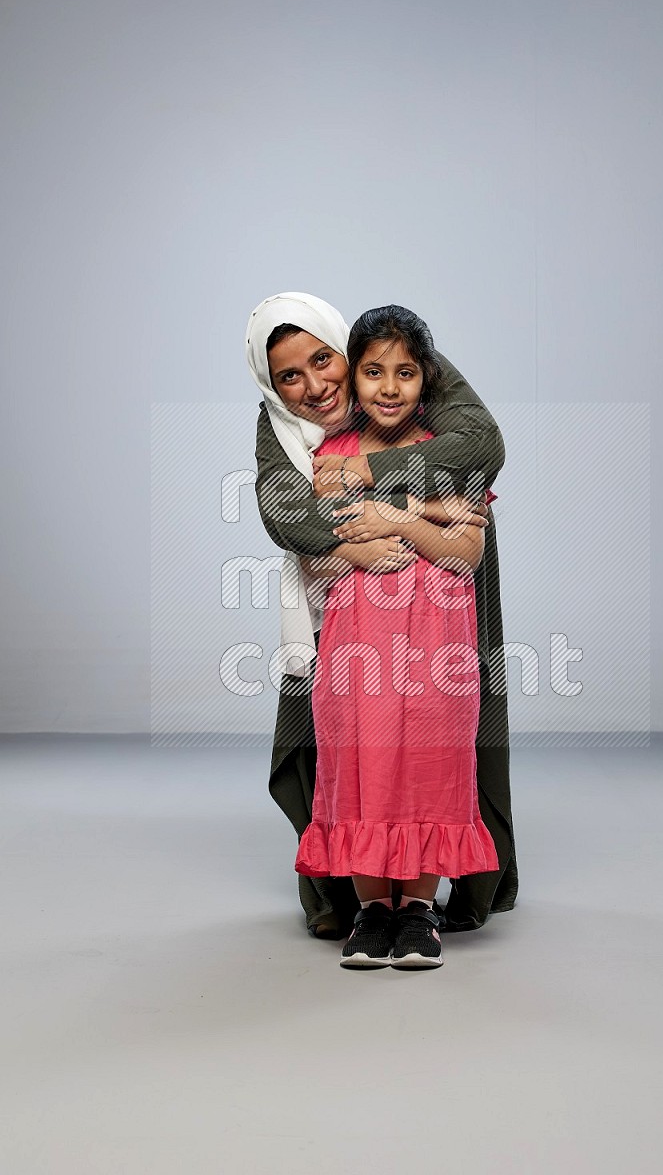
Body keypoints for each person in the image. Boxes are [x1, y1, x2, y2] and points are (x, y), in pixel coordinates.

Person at [246, 292, 517, 940]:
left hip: (437, 603)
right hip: (338, 601)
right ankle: (343, 899)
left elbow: (481, 446)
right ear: (269, 379)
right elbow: (287, 511)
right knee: (334, 743)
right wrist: (374, 530)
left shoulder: (399, 360)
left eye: (323, 361)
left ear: (345, 351)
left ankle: (447, 892)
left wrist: (372, 479)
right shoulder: (278, 428)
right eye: (289, 375)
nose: (313, 385)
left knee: (446, 734)